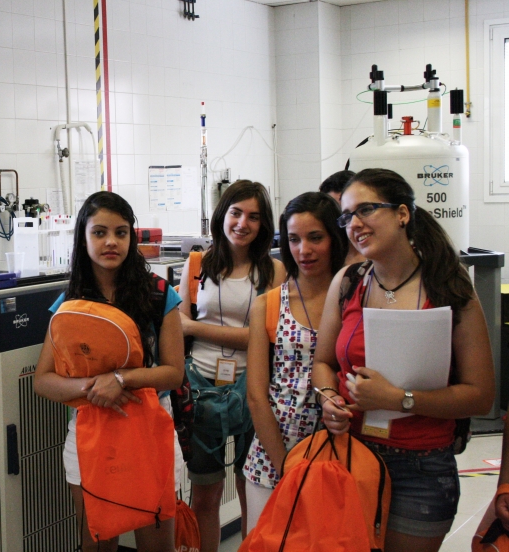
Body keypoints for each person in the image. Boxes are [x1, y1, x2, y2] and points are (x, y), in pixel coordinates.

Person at [312, 168, 494, 552]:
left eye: (365, 210)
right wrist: (328, 398)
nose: (354, 224)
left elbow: (480, 395)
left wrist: (398, 399)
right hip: (353, 453)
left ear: (402, 214)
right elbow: (324, 362)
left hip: (423, 465)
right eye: (346, 216)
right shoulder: (348, 282)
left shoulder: (449, 286)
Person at [33, 191, 185, 552]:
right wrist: (92, 386)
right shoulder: (70, 304)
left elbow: (173, 373)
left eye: (121, 232)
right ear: (83, 237)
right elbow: (42, 380)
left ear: (132, 238)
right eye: (99, 232)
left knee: (157, 543)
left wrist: (121, 379)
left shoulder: (159, 294)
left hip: (150, 431)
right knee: (97, 542)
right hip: (91, 435)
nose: (111, 242)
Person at [177, 180, 285, 552]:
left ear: (263, 224)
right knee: (205, 494)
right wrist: (192, 328)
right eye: (236, 213)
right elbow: (179, 326)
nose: (243, 223)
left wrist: (196, 327)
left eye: (254, 217)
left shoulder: (274, 272)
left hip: (255, 390)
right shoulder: (196, 265)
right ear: (223, 214)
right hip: (201, 385)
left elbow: (266, 338)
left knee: (251, 489)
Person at [242, 192, 348, 531]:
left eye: (315, 237)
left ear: (335, 237)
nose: (304, 249)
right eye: (294, 239)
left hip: (340, 454)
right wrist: (287, 466)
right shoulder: (269, 304)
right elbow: (257, 395)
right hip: (275, 456)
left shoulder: (356, 298)